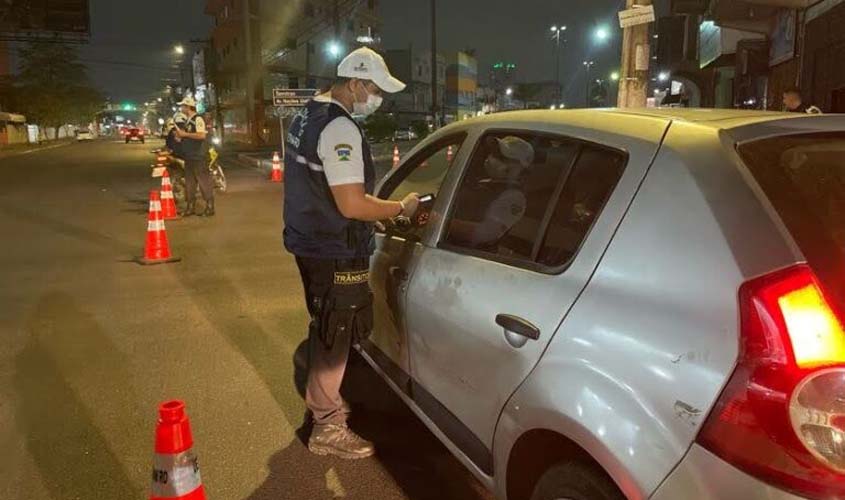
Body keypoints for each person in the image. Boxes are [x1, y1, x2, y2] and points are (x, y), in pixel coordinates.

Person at [283, 47, 419, 459]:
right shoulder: (339, 129)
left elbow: (322, 188)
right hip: (332, 248)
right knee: (337, 330)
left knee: (327, 324)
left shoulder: (307, 114)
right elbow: (351, 204)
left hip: (310, 240)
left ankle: (323, 403)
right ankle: (327, 425)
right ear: (356, 83)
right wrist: (399, 209)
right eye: (375, 90)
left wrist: (367, 217)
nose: (378, 100)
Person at [448, 136, 534, 251]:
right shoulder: (486, 182)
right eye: (493, 153)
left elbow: (485, 234)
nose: (491, 158)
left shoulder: (514, 197)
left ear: (518, 166)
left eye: (500, 157)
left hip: (471, 255)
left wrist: (441, 222)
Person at [174, 97, 214, 217]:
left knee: (203, 182)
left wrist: (185, 134)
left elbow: (201, 135)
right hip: (189, 156)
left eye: (182, 106)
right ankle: (190, 207)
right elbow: (188, 136)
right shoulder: (187, 121)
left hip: (198, 156)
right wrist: (180, 137)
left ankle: (210, 207)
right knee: (190, 183)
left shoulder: (198, 119)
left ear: (188, 107)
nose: (181, 109)